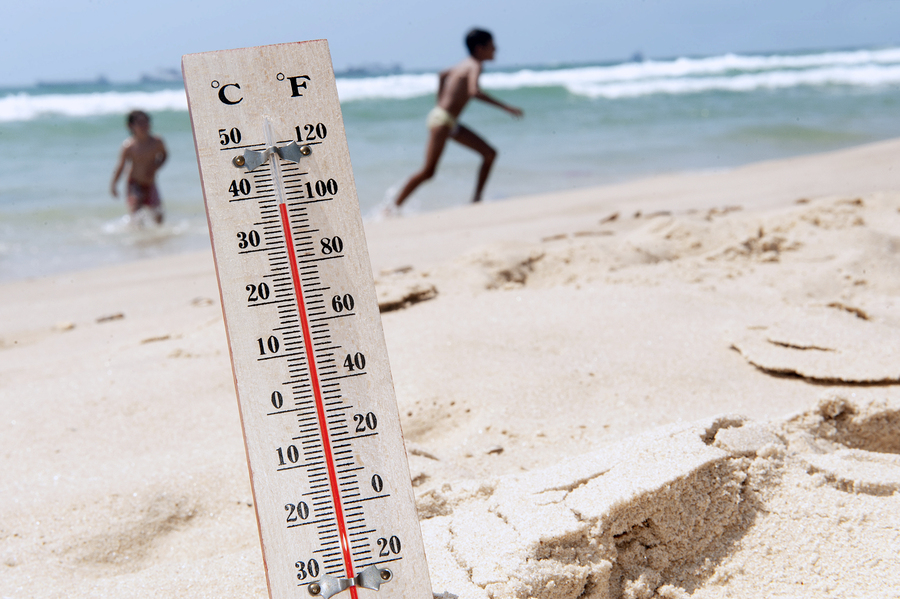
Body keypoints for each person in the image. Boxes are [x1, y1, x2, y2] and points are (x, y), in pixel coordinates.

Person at [391, 28, 523, 211]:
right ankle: (392, 208)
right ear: (480, 48)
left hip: (446, 120)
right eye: (492, 46)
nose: (496, 50)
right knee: (429, 171)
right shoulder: (475, 65)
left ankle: (476, 200)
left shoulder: (464, 64)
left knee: (489, 153)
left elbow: (442, 74)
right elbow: (474, 91)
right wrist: (506, 107)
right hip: (443, 120)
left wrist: (440, 102)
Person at [111, 110, 167, 224]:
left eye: (146, 122)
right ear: (131, 126)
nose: (144, 126)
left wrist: (155, 167)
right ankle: (138, 240)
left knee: (159, 217)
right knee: (136, 213)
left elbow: (165, 155)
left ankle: (160, 239)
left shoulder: (156, 142)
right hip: (134, 183)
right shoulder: (129, 146)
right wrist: (114, 184)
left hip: (150, 183)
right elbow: (121, 166)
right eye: (140, 123)